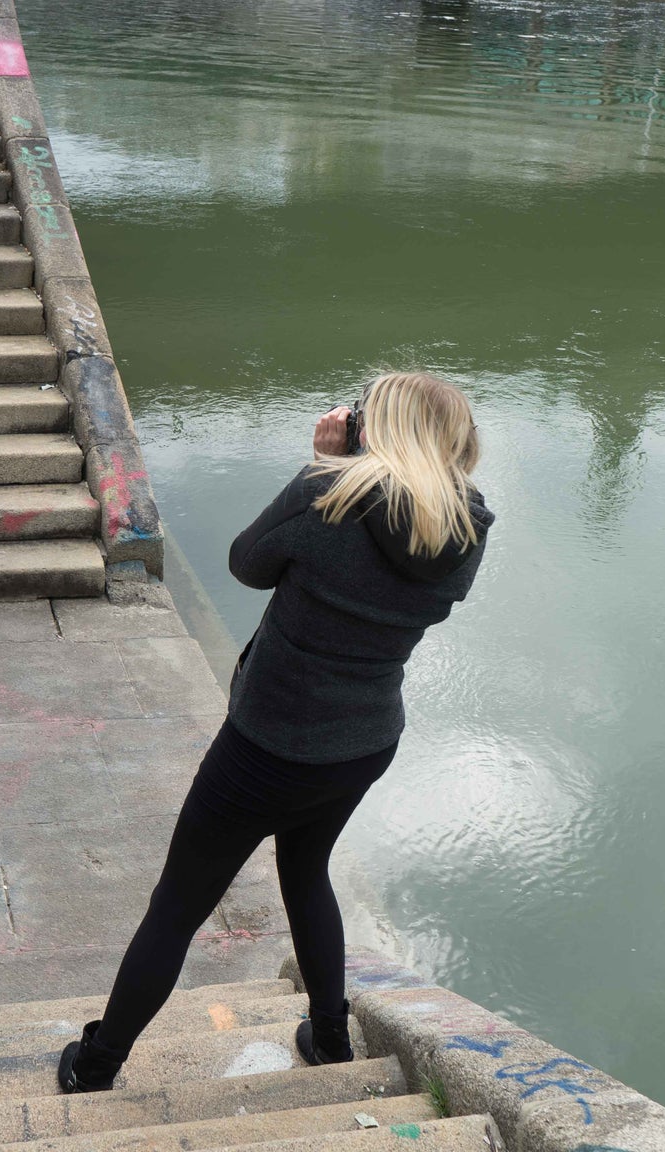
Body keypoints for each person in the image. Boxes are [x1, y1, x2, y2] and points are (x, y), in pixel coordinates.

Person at [56, 372, 495, 1092]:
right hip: (363, 743)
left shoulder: (325, 494)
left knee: (178, 905)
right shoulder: (465, 527)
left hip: (267, 746)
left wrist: (323, 463)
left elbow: (246, 564)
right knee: (305, 867)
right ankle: (328, 1038)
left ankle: (97, 1065)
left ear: (367, 429)